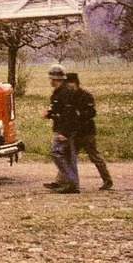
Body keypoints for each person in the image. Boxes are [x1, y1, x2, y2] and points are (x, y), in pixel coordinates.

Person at [67, 73, 113, 190]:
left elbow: (92, 113)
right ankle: (62, 181)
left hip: (87, 132)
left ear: (75, 82)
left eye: (69, 83)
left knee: (95, 157)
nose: (67, 85)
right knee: (69, 157)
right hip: (75, 132)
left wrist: (79, 114)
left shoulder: (86, 96)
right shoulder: (69, 97)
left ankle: (107, 180)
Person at [42, 64, 79, 194]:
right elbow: (59, 111)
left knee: (56, 152)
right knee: (69, 156)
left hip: (64, 129)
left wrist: (65, 133)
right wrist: (49, 114)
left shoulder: (65, 93)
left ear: (55, 78)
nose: (50, 80)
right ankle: (72, 183)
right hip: (62, 127)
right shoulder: (60, 92)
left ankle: (70, 182)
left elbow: (69, 114)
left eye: (51, 78)